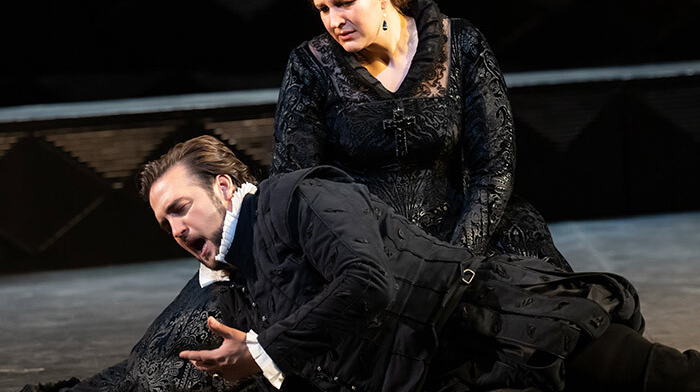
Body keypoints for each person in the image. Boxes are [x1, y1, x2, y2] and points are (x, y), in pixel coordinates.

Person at [137, 135, 697, 392]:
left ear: (225, 186)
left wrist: (262, 352)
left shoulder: (300, 197)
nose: (178, 231)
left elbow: (366, 283)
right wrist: (258, 363)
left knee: (670, 380)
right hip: (442, 372)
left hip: (505, 329)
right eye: (166, 225)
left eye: (181, 209)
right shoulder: (235, 288)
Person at [270, 0, 571, 271]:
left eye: (345, 3)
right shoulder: (309, 65)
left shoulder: (461, 44)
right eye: (323, 9)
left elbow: (494, 168)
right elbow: (296, 182)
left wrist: (459, 258)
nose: (334, 20)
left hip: (460, 233)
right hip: (365, 246)